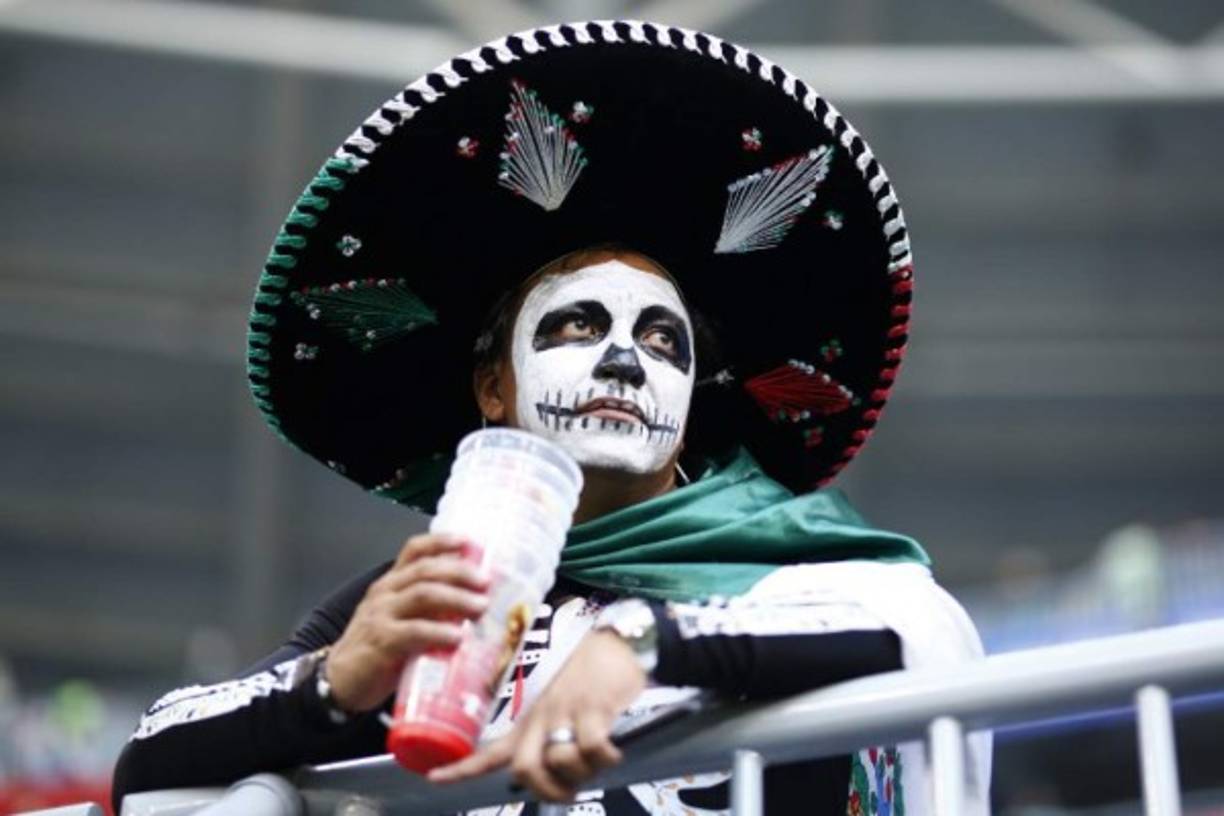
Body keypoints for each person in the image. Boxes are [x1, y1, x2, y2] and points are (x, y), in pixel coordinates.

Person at [112, 19, 990, 815]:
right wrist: (334, 685)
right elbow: (149, 759)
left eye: (662, 340)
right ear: (493, 389)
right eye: (577, 324)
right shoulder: (427, 597)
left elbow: (920, 635)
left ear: (690, 410)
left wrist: (646, 643)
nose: (622, 360)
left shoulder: (795, 563)